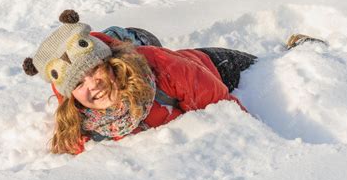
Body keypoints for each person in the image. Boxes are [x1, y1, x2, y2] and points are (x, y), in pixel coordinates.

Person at [23, 9, 324, 155]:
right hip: (156, 56)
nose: (93, 85)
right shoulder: (77, 117)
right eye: (79, 83)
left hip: (211, 68)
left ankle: (304, 48)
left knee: (270, 68)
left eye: (95, 71)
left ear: (110, 64)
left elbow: (227, 112)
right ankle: (131, 36)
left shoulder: (164, 69)